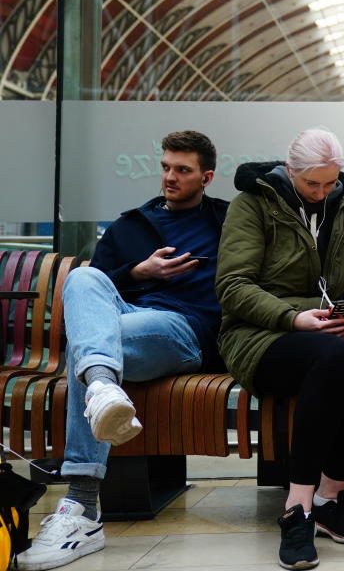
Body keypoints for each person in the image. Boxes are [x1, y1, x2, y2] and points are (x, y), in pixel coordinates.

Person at [18, 131, 228, 571]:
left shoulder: (227, 222)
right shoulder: (130, 223)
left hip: (183, 329)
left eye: (183, 170)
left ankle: (82, 506)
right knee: (82, 279)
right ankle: (101, 386)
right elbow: (99, 283)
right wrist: (139, 270)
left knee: (87, 347)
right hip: (124, 321)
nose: (170, 177)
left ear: (206, 177)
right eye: (166, 166)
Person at [215, 128, 344, 570]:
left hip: (325, 332)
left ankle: (331, 497)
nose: (322, 192)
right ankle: (299, 507)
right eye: (313, 184)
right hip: (259, 334)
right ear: (290, 172)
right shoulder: (251, 204)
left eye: (330, 183)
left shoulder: (343, 206)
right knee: (331, 358)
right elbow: (233, 287)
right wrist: (294, 318)